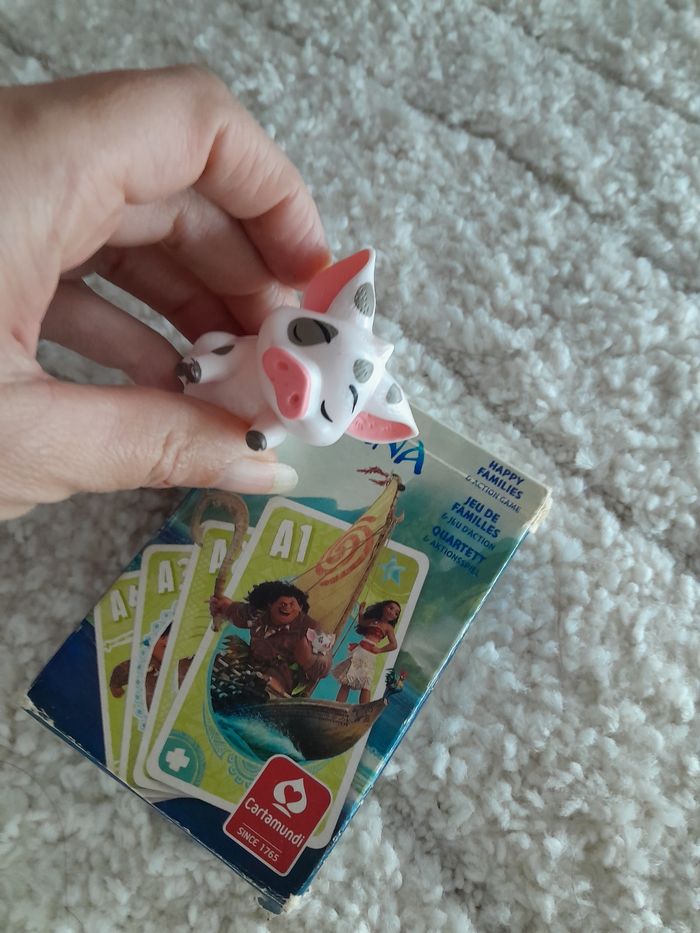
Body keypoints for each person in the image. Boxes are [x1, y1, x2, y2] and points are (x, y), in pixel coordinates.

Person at [0, 66, 331, 522]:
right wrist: (200, 385)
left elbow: (273, 424)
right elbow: (235, 354)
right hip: (218, 370)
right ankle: (198, 367)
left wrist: (260, 436)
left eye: (328, 407)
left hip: (222, 409)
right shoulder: (260, 345)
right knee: (222, 349)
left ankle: (202, 371)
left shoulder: (288, 408)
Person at [209, 581, 332, 699]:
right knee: (225, 663)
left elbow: (324, 666)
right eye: (282, 603)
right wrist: (224, 607)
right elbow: (239, 613)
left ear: (300, 607)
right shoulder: (259, 614)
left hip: (284, 678)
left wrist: (309, 659)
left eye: (292, 604)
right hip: (252, 664)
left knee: (272, 680)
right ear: (270, 604)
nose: (287, 607)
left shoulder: (310, 628)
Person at [333, 600, 400, 705]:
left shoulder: (388, 628)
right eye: (390, 608)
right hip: (359, 651)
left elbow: (394, 644)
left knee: (366, 684)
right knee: (347, 680)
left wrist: (380, 649)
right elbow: (362, 623)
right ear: (383, 607)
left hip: (369, 655)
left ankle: (364, 708)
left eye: (396, 613)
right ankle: (338, 705)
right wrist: (360, 612)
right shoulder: (374, 620)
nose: (392, 613)